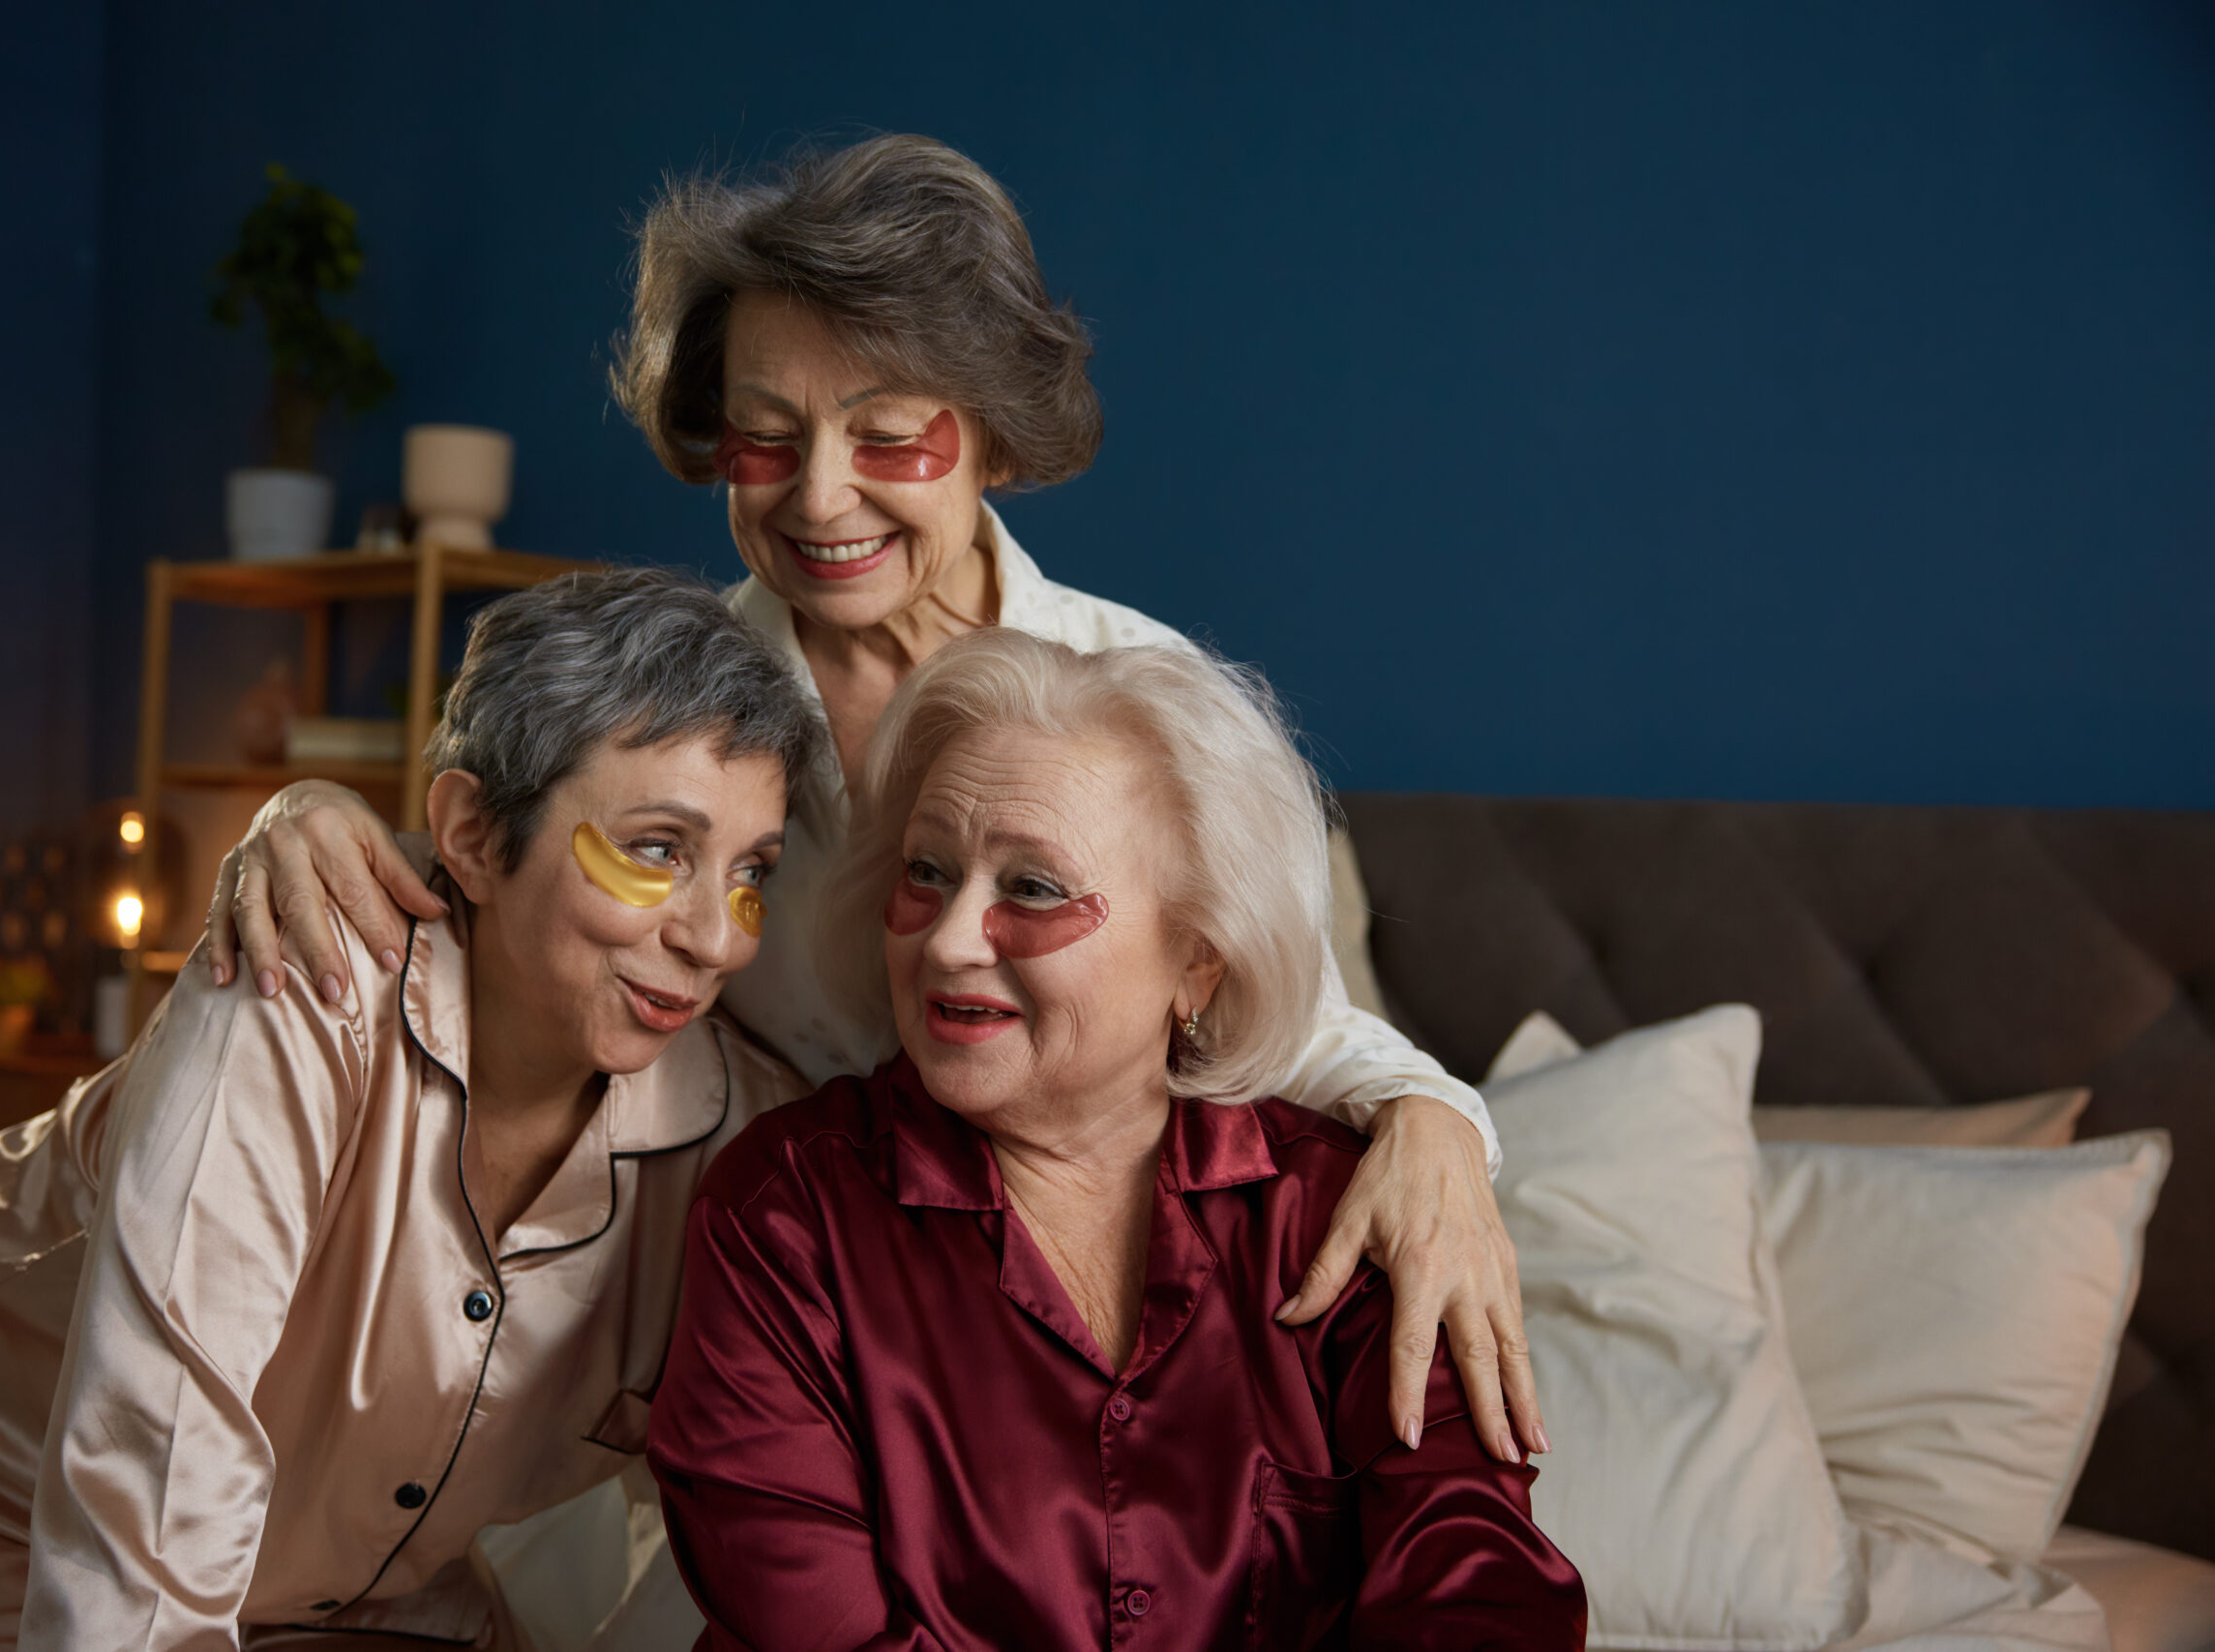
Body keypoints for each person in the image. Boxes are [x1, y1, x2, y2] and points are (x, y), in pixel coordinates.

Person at [207, 133, 1542, 1462]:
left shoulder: (1142, 695)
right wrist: (302, 817)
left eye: (889, 434)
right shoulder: (671, 703)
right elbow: (514, 893)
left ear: (996, 444)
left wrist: (1436, 1123)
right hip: (777, 1343)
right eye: (766, 437)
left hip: (1098, 1373)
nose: (820, 497)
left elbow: (1286, 1025)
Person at [0, 570, 818, 1651]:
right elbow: (146, 1509)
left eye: (749, 872)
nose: (716, 938)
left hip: (313, 1583)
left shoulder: (745, 1142)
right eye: (657, 850)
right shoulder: (296, 981)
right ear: (477, 838)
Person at [648, 629, 1586, 1649]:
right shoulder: (782, 1218)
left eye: (1033, 888)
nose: (950, 940)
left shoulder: (1342, 1215)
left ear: (1197, 962)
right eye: (927, 871)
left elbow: (1478, 1594)